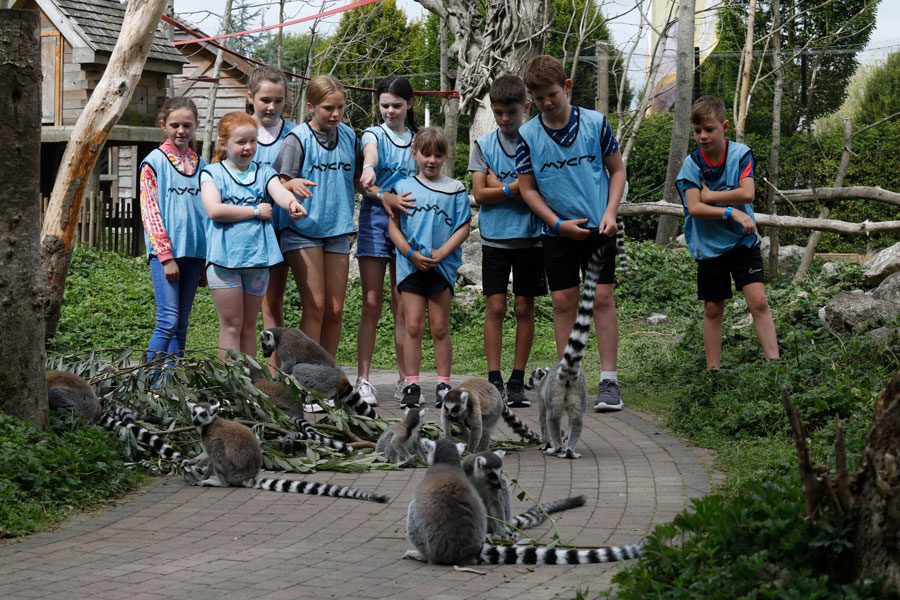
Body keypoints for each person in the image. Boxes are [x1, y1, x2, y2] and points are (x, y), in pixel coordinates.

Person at [515, 55, 627, 412]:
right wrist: (556, 223)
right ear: (531, 97)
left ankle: (609, 379)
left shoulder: (595, 124)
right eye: (539, 97)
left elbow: (617, 171)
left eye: (553, 94)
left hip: (598, 226)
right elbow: (528, 188)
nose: (548, 102)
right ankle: (571, 379)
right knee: (563, 303)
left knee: (603, 299)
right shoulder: (528, 135)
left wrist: (610, 212)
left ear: (566, 88)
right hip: (558, 232)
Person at [676, 95, 779, 372]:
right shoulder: (691, 165)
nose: (702, 136)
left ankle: (776, 365)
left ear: (725, 126)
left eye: (709, 129)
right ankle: (714, 372)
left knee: (758, 301)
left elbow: (748, 192)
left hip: (742, 241)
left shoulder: (741, 154)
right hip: (709, 245)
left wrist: (711, 195)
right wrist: (730, 211)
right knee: (713, 308)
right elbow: (695, 207)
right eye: (697, 131)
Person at [200, 111, 306, 360]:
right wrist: (256, 210)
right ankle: (228, 387)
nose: (248, 147)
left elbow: (278, 192)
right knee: (231, 326)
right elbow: (215, 210)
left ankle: (249, 385)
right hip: (224, 261)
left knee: (249, 327)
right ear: (223, 143)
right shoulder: (212, 173)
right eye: (241, 142)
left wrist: (292, 204)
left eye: (253, 141)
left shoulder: (264, 171)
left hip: (258, 261)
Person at [468, 74, 546, 408]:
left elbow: (543, 188)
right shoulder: (484, 145)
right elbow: (480, 194)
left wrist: (504, 186)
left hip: (532, 239)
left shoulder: (540, 142)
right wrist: (515, 188)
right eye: (498, 112)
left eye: (510, 112)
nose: (504, 118)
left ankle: (517, 380)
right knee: (496, 307)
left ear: (525, 107)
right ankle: (494, 378)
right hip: (495, 240)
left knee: (524, 307)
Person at [272, 75, 357, 361]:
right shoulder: (297, 139)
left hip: (337, 230)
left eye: (340, 108)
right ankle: (303, 380)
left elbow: (357, 179)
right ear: (311, 107)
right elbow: (277, 186)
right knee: (316, 306)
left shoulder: (348, 136)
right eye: (328, 108)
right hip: (302, 231)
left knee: (335, 309)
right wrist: (289, 185)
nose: (335, 114)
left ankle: (327, 376)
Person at [388, 127, 471, 410]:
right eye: (425, 154)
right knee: (412, 325)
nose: (431, 160)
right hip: (410, 268)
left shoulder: (456, 189)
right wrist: (411, 254)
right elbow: (394, 228)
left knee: (439, 327)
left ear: (446, 156)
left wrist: (441, 253)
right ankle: (411, 383)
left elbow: (463, 228)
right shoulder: (402, 188)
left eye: (438, 155)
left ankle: (444, 383)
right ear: (415, 155)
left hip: (441, 269)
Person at [356, 76, 418, 406]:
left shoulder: (418, 139)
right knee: (371, 303)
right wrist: (373, 179)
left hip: (408, 222)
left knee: (402, 306)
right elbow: (370, 157)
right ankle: (363, 379)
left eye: (396, 105)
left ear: (409, 105)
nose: (390, 111)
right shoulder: (373, 134)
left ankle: (405, 379)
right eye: (384, 105)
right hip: (375, 219)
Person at [139, 97, 206, 370]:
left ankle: (171, 384)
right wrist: (165, 256)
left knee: (182, 325)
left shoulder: (199, 163)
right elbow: (150, 211)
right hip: (166, 255)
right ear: (163, 126)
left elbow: (204, 211)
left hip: (194, 253)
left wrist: (205, 259)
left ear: (196, 126)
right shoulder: (153, 162)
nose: (181, 131)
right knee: (167, 320)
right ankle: (146, 381)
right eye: (175, 125)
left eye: (187, 125)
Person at [247, 66, 307, 371]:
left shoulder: (295, 133)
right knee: (251, 306)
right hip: (252, 228)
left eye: (278, 101)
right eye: (265, 100)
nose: (271, 107)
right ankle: (246, 370)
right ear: (251, 98)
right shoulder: (243, 133)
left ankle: (275, 373)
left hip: (288, 228)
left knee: (275, 303)